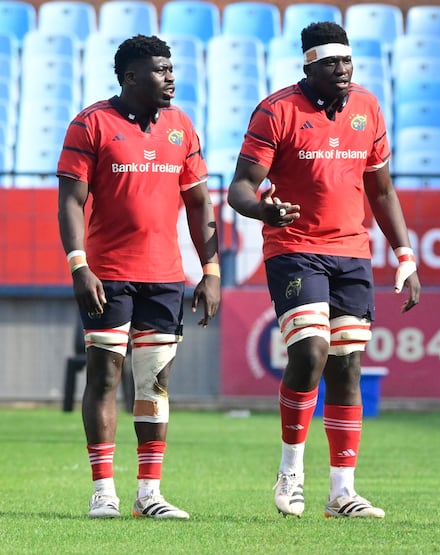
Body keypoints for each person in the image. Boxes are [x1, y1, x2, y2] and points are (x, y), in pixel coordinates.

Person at [227, 21, 420, 519]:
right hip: (294, 247)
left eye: (348, 61)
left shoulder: (368, 107)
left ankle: (342, 492)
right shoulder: (277, 110)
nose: (342, 71)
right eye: (331, 63)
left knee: (348, 365)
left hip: (352, 252)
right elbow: (241, 189)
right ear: (308, 66)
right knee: (311, 352)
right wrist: (265, 211)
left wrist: (405, 255)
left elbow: (382, 190)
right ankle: (291, 472)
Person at [57, 35, 221, 519]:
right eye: (160, 71)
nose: (171, 78)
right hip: (107, 275)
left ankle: (149, 493)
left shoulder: (181, 126)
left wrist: (210, 270)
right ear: (131, 77)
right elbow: (70, 200)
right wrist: (78, 264)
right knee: (105, 376)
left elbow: (199, 204)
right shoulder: (91, 123)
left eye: (172, 69)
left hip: (165, 277)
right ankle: (103, 490)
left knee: (154, 383)